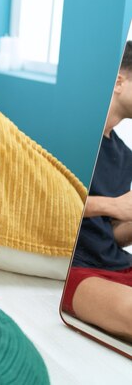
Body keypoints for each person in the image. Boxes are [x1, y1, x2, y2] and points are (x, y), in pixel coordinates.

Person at [62, 40, 132, 341]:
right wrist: (114, 206)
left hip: (117, 264)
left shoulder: (125, 155)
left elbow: (109, 234)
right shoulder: (72, 133)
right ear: (119, 81)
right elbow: (55, 204)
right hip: (79, 270)